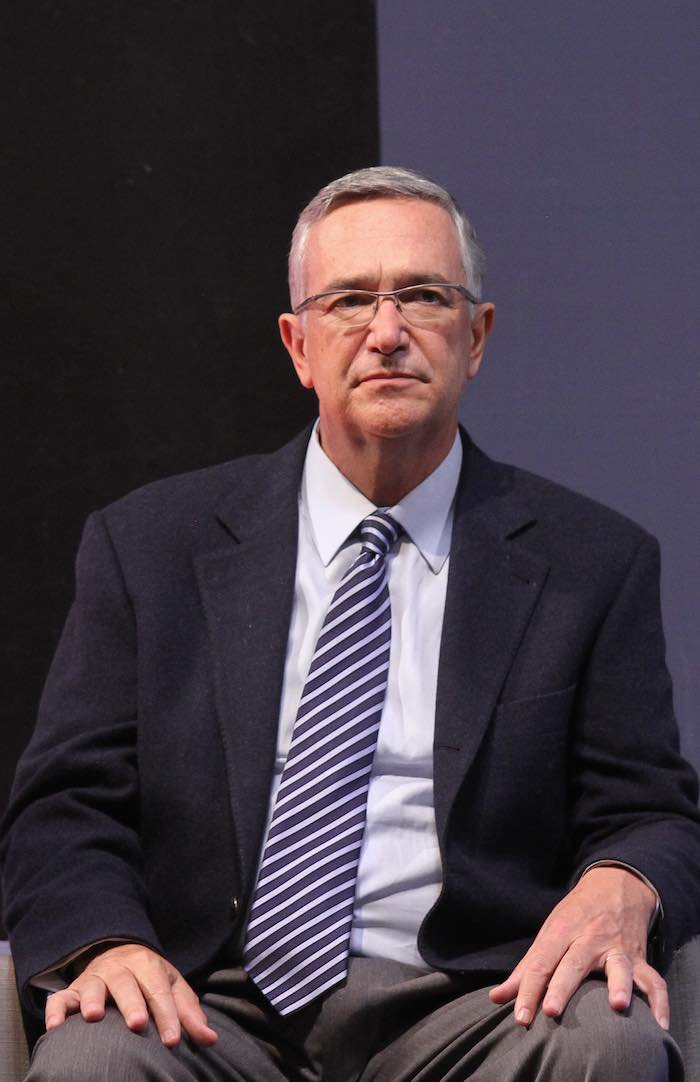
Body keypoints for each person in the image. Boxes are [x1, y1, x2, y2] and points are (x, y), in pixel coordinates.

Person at [2, 166, 700, 1081]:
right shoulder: (149, 548)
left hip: (481, 1002)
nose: (387, 332)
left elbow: (651, 811)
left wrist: (627, 881)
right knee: (94, 1059)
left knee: (609, 1044)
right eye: (348, 302)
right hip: (210, 1005)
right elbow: (63, 807)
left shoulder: (591, 564)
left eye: (424, 296)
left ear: (477, 337)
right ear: (298, 345)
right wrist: (107, 942)